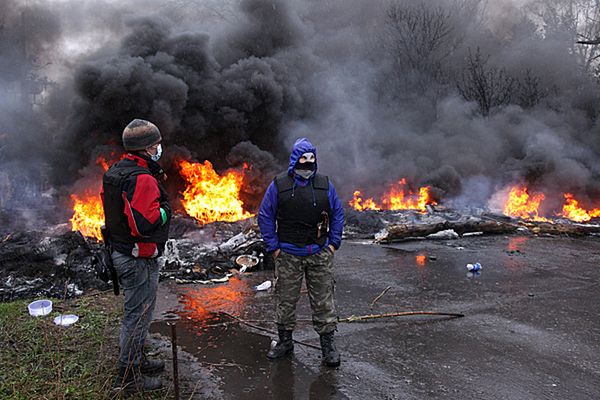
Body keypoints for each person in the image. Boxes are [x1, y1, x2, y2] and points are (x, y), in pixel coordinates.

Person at [258, 137, 345, 367]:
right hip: (288, 253)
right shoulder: (279, 185)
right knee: (285, 300)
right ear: (295, 159)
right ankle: (285, 342)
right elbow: (265, 215)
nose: (307, 163)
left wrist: (334, 243)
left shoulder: (324, 184)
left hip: (318, 252)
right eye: (303, 159)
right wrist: (274, 248)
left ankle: (328, 347)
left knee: (324, 300)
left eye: (311, 159)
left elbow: (337, 214)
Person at [102, 119, 171, 393]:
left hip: (122, 252)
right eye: (156, 145)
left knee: (138, 314)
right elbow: (145, 224)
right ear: (147, 148)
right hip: (137, 258)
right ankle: (128, 377)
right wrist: (166, 210)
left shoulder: (117, 171)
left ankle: (137, 360)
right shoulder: (141, 178)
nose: (159, 149)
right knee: (138, 315)